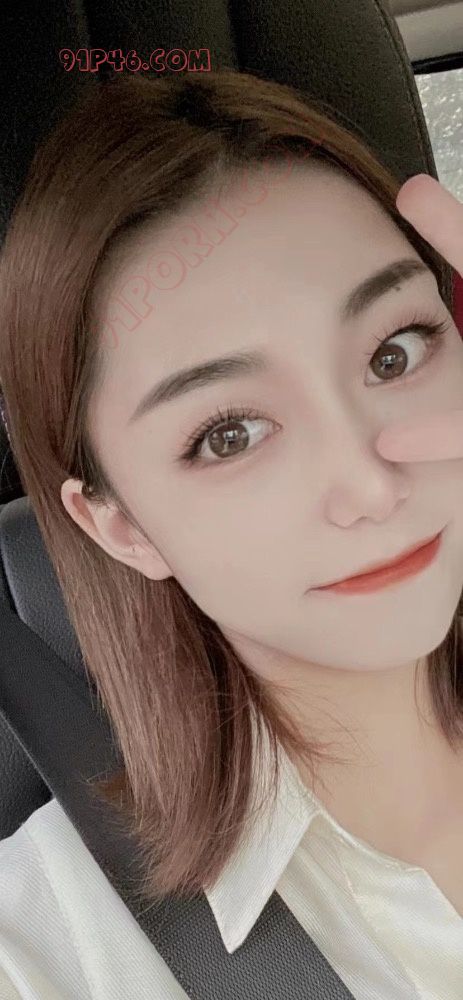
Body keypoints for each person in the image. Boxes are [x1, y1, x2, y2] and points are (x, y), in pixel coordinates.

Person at [0, 69, 463, 999]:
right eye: (228, 435)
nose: (369, 486)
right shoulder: (45, 951)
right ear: (121, 527)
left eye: (394, 352)